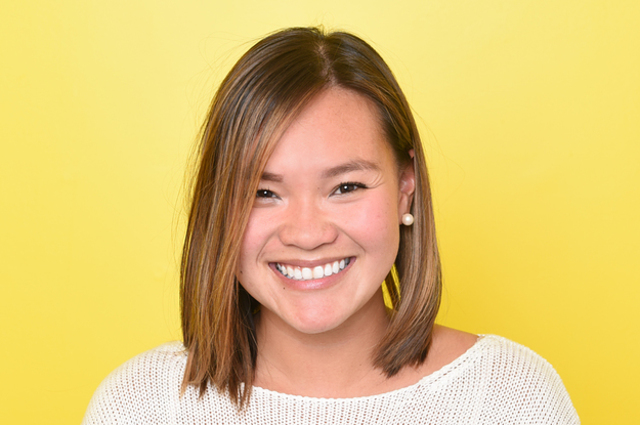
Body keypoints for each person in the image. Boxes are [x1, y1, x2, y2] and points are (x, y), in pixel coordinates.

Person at [82, 27, 579, 424]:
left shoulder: (511, 399)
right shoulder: (141, 407)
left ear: (405, 187)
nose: (306, 233)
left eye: (345, 187)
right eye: (262, 193)